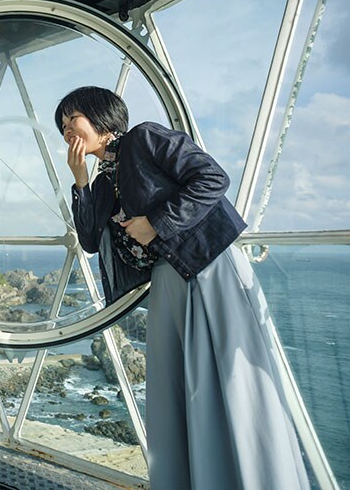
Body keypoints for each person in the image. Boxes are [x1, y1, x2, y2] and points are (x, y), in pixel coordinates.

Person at [55, 86, 309, 489]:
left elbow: (213, 178)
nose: (68, 130)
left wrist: (155, 222)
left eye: (74, 119)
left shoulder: (145, 137)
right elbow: (88, 240)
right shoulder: (102, 181)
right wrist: (80, 182)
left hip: (206, 267)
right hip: (168, 280)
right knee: (181, 388)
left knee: (231, 379)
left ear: (103, 121)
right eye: (63, 125)